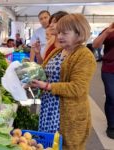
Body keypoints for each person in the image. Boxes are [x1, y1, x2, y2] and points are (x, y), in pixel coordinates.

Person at [31, 14, 96, 149]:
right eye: (59, 32)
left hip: (66, 115)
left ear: (79, 33)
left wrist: (48, 86)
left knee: (66, 146)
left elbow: (77, 88)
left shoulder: (85, 56)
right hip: (49, 110)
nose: (59, 36)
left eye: (65, 33)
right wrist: (36, 59)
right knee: (47, 145)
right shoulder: (59, 51)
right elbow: (44, 72)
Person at [92, 22, 114, 139]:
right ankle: (111, 126)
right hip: (109, 69)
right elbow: (95, 45)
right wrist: (106, 33)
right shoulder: (109, 30)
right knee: (111, 97)